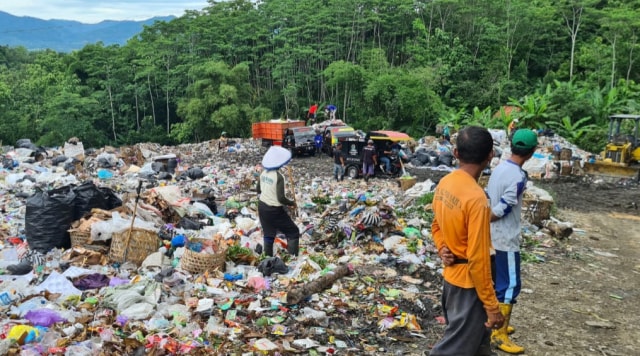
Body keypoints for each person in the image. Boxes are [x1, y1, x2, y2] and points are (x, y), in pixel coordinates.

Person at [429, 126, 504, 356]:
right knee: (453, 350)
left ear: (456, 153)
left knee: (479, 346)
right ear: (490, 156)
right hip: (468, 287)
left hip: (451, 281)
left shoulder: (446, 183)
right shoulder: (476, 199)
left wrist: (442, 247)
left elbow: (436, 225)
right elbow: (478, 259)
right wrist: (492, 307)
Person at [486, 129, 538, 354]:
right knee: (509, 286)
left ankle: (497, 322)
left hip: (492, 236)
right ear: (532, 152)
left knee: (497, 281)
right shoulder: (518, 176)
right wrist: (484, 219)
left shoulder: (500, 168)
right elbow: (502, 208)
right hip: (505, 238)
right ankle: (499, 334)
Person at [257, 146, 300, 257]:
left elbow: (258, 189)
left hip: (262, 206)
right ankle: (293, 259)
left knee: (268, 234)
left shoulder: (263, 173)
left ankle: (267, 260)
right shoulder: (278, 176)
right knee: (293, 231)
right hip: (274, 209)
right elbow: (281, 198)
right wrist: (291, 203)